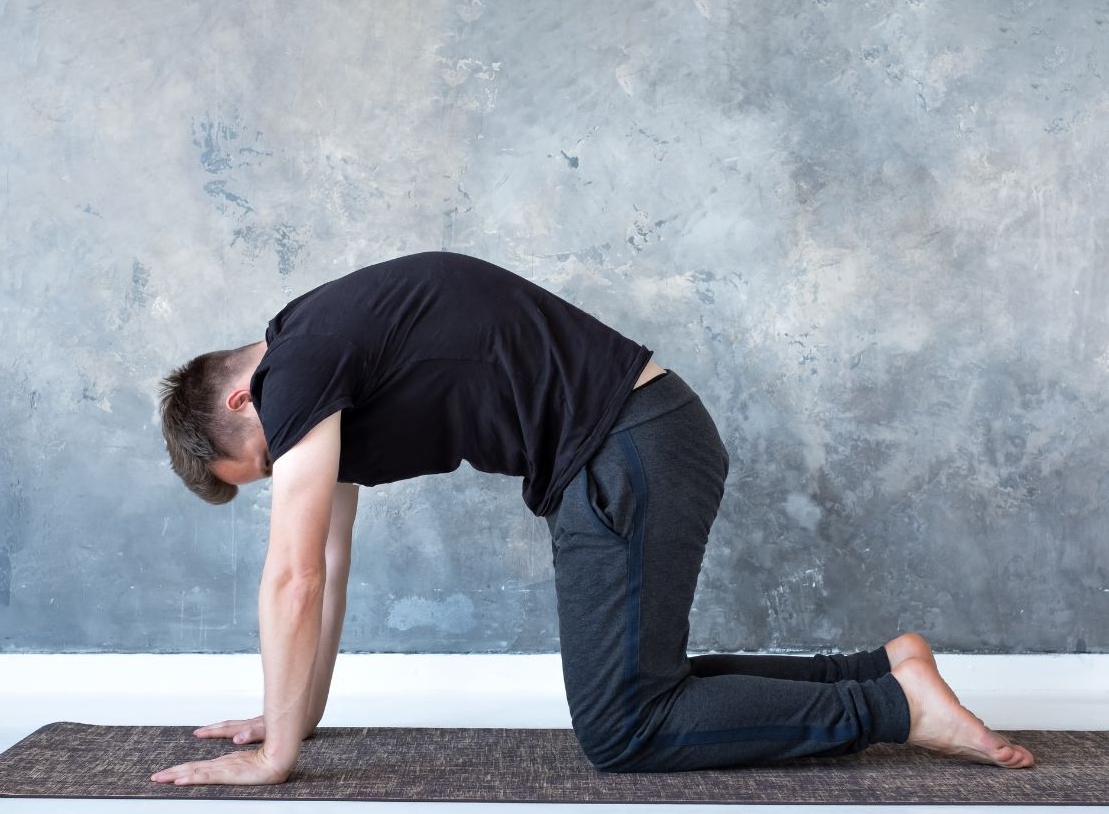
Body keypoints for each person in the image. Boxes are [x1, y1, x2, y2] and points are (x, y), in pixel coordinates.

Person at [150, 250, 1034, 786]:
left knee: (625, 725)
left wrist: (272, 766)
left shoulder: (296, 371)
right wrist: (288, 714)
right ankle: (884, 669)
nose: (284, 478)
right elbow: (329, 566)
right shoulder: (316, 347)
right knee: (645, 686)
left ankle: (893, 707)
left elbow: (292, 574)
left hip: (629, 450)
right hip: (631, 445)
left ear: (241, 395)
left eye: (263, 464)